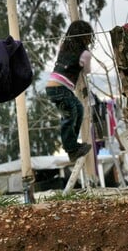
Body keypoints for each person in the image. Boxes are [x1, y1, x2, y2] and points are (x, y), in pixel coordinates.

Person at [45, 20, 94, 162]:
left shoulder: (64, 45)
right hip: (60, 88)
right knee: (69, 116)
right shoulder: (85, 54)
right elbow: (87, 71)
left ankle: (73, 145)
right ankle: (71, 149)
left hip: (55, 86)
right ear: (86, 37)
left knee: (78, 110)